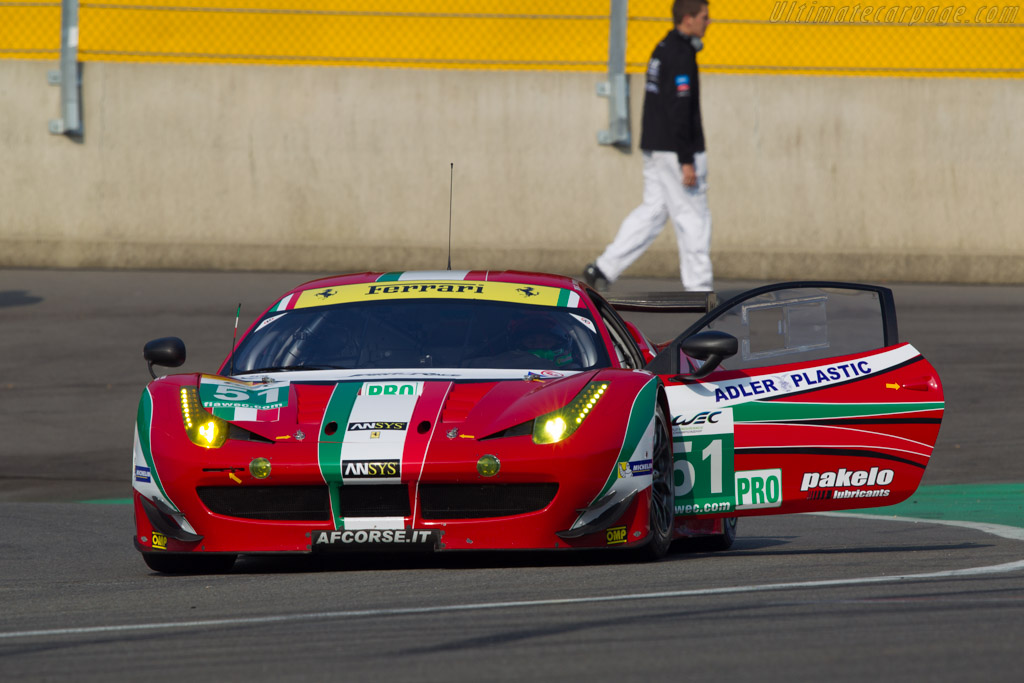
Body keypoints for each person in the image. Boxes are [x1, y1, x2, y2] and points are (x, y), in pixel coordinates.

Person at [585, 0, 713, 292]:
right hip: (675, 150)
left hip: (655, 146)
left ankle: (604, 266)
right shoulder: (681, 54)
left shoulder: (662, 48)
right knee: (693, 215)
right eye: (705, 17)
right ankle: (701, 292)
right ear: (688, 19)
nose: (709, 22)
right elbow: (679, 109)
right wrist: (686, 159)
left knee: (654, 210)